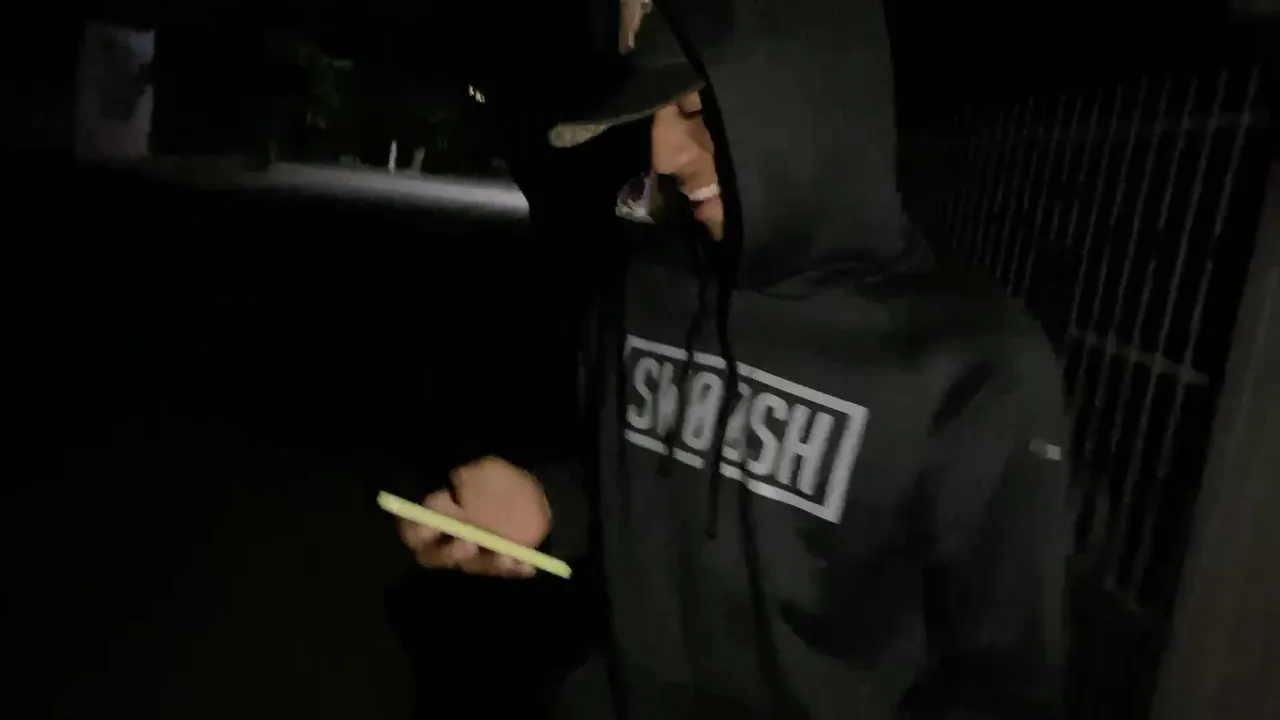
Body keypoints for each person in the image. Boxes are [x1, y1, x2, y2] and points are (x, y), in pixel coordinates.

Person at [399, 1, 1070, 718]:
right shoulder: (645, 291)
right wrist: (546, 506)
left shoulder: (975, 367)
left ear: (816, 98)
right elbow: (623, 485)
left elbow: (1001, 685)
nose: (662, 153)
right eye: (654, 111)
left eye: (696, 108)